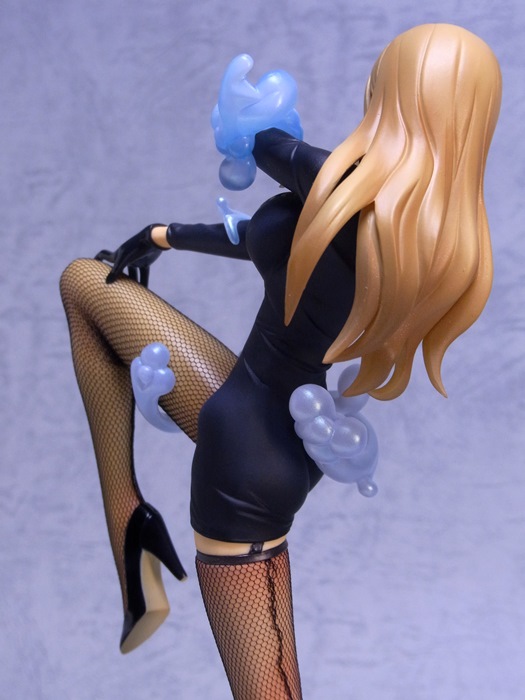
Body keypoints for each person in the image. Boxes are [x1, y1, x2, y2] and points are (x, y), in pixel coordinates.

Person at [60, 24, 501, 699]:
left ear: (399, 96)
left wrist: (251, 124)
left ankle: (130, 530)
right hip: (259, 421)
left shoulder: (347, 185)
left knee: (266, 689)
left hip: (244, 456)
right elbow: (262, 238)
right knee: (86, 282)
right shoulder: (406, 224)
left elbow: (262, 142)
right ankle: (129, 522)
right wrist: (161, 237)